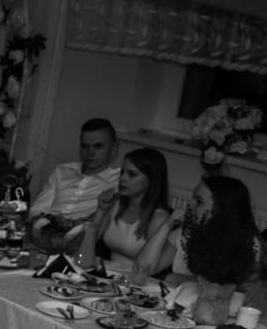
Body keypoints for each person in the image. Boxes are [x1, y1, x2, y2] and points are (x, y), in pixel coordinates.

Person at [172, 174, 267, 316]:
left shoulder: (248, 243)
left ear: (221, 208)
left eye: (199, 201)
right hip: (209, 310)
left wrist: (180, 280)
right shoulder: (203, 232)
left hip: (241, 316)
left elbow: (223, 290)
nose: (190, 204)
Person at [76, 146, 174, 278]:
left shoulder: (158, 218)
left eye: (132, 175)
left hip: (133, 281)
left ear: (150, 181)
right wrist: (101, 210)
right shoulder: (116, 204)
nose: (122, 178)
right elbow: (86, 245)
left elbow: (148, 268)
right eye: (122, 172)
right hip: (105, 275)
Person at [27, 119, 124, 248]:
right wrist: (42, 224)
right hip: (43, 234)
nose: (90, 153)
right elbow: (37, 209)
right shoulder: (62, 171)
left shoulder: (120, 180)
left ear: (114, 148)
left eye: (98, 146)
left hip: (79, 241)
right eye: (85, 146)